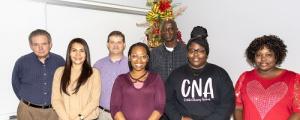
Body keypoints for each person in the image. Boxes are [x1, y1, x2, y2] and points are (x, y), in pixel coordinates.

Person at [165, 33, 235, 120]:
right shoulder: (175, 75)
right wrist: (179, 118)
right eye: (192, 50)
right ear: (187, 53)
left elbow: (228, 102)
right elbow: (167, 100)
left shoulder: (220, 74)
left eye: (201, 51)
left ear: (206, 54)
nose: (195, 54)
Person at [234, 35, 300, 120]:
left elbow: (298, 112)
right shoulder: (244, 77)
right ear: (253, 56)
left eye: (268, 55)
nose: (263, 59)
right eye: (258, 55)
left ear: (277, 56)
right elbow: (238, 107)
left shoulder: (294, 79)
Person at [12, 29, 65, 120]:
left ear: (50, 44)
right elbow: (15, 83)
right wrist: (26, 101)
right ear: (31, 46)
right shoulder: (21, 62)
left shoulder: (59, 61)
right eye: (36, 44)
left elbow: (65, 83)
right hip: (27, 111)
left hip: (53, 111)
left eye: (44, 44)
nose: (40, 48)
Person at [110, 42, 166, 120]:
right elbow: (115, 107)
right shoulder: (120, 79)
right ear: (129, 58)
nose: (139, 60)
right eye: (134, 56)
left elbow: (160, 106)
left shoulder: (156, 78)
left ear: (147, 58)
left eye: (143, 56)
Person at [52, 38, 101, 120]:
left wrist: (79, 118)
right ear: (69, 53)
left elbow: (94, 101)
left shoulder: (94, 73)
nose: (78, 54)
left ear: (86, 54)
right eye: (74, 50)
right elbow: (56, 100)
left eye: (82, 51)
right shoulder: (59, 72)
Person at [93, 31, 129, 120]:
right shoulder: (98, 65)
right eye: (112, 42)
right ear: (107, 44)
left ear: (124, 45)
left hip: (125, 115)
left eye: (119, 42)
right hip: (102, 114)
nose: (115, 45)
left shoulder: (132, 65)